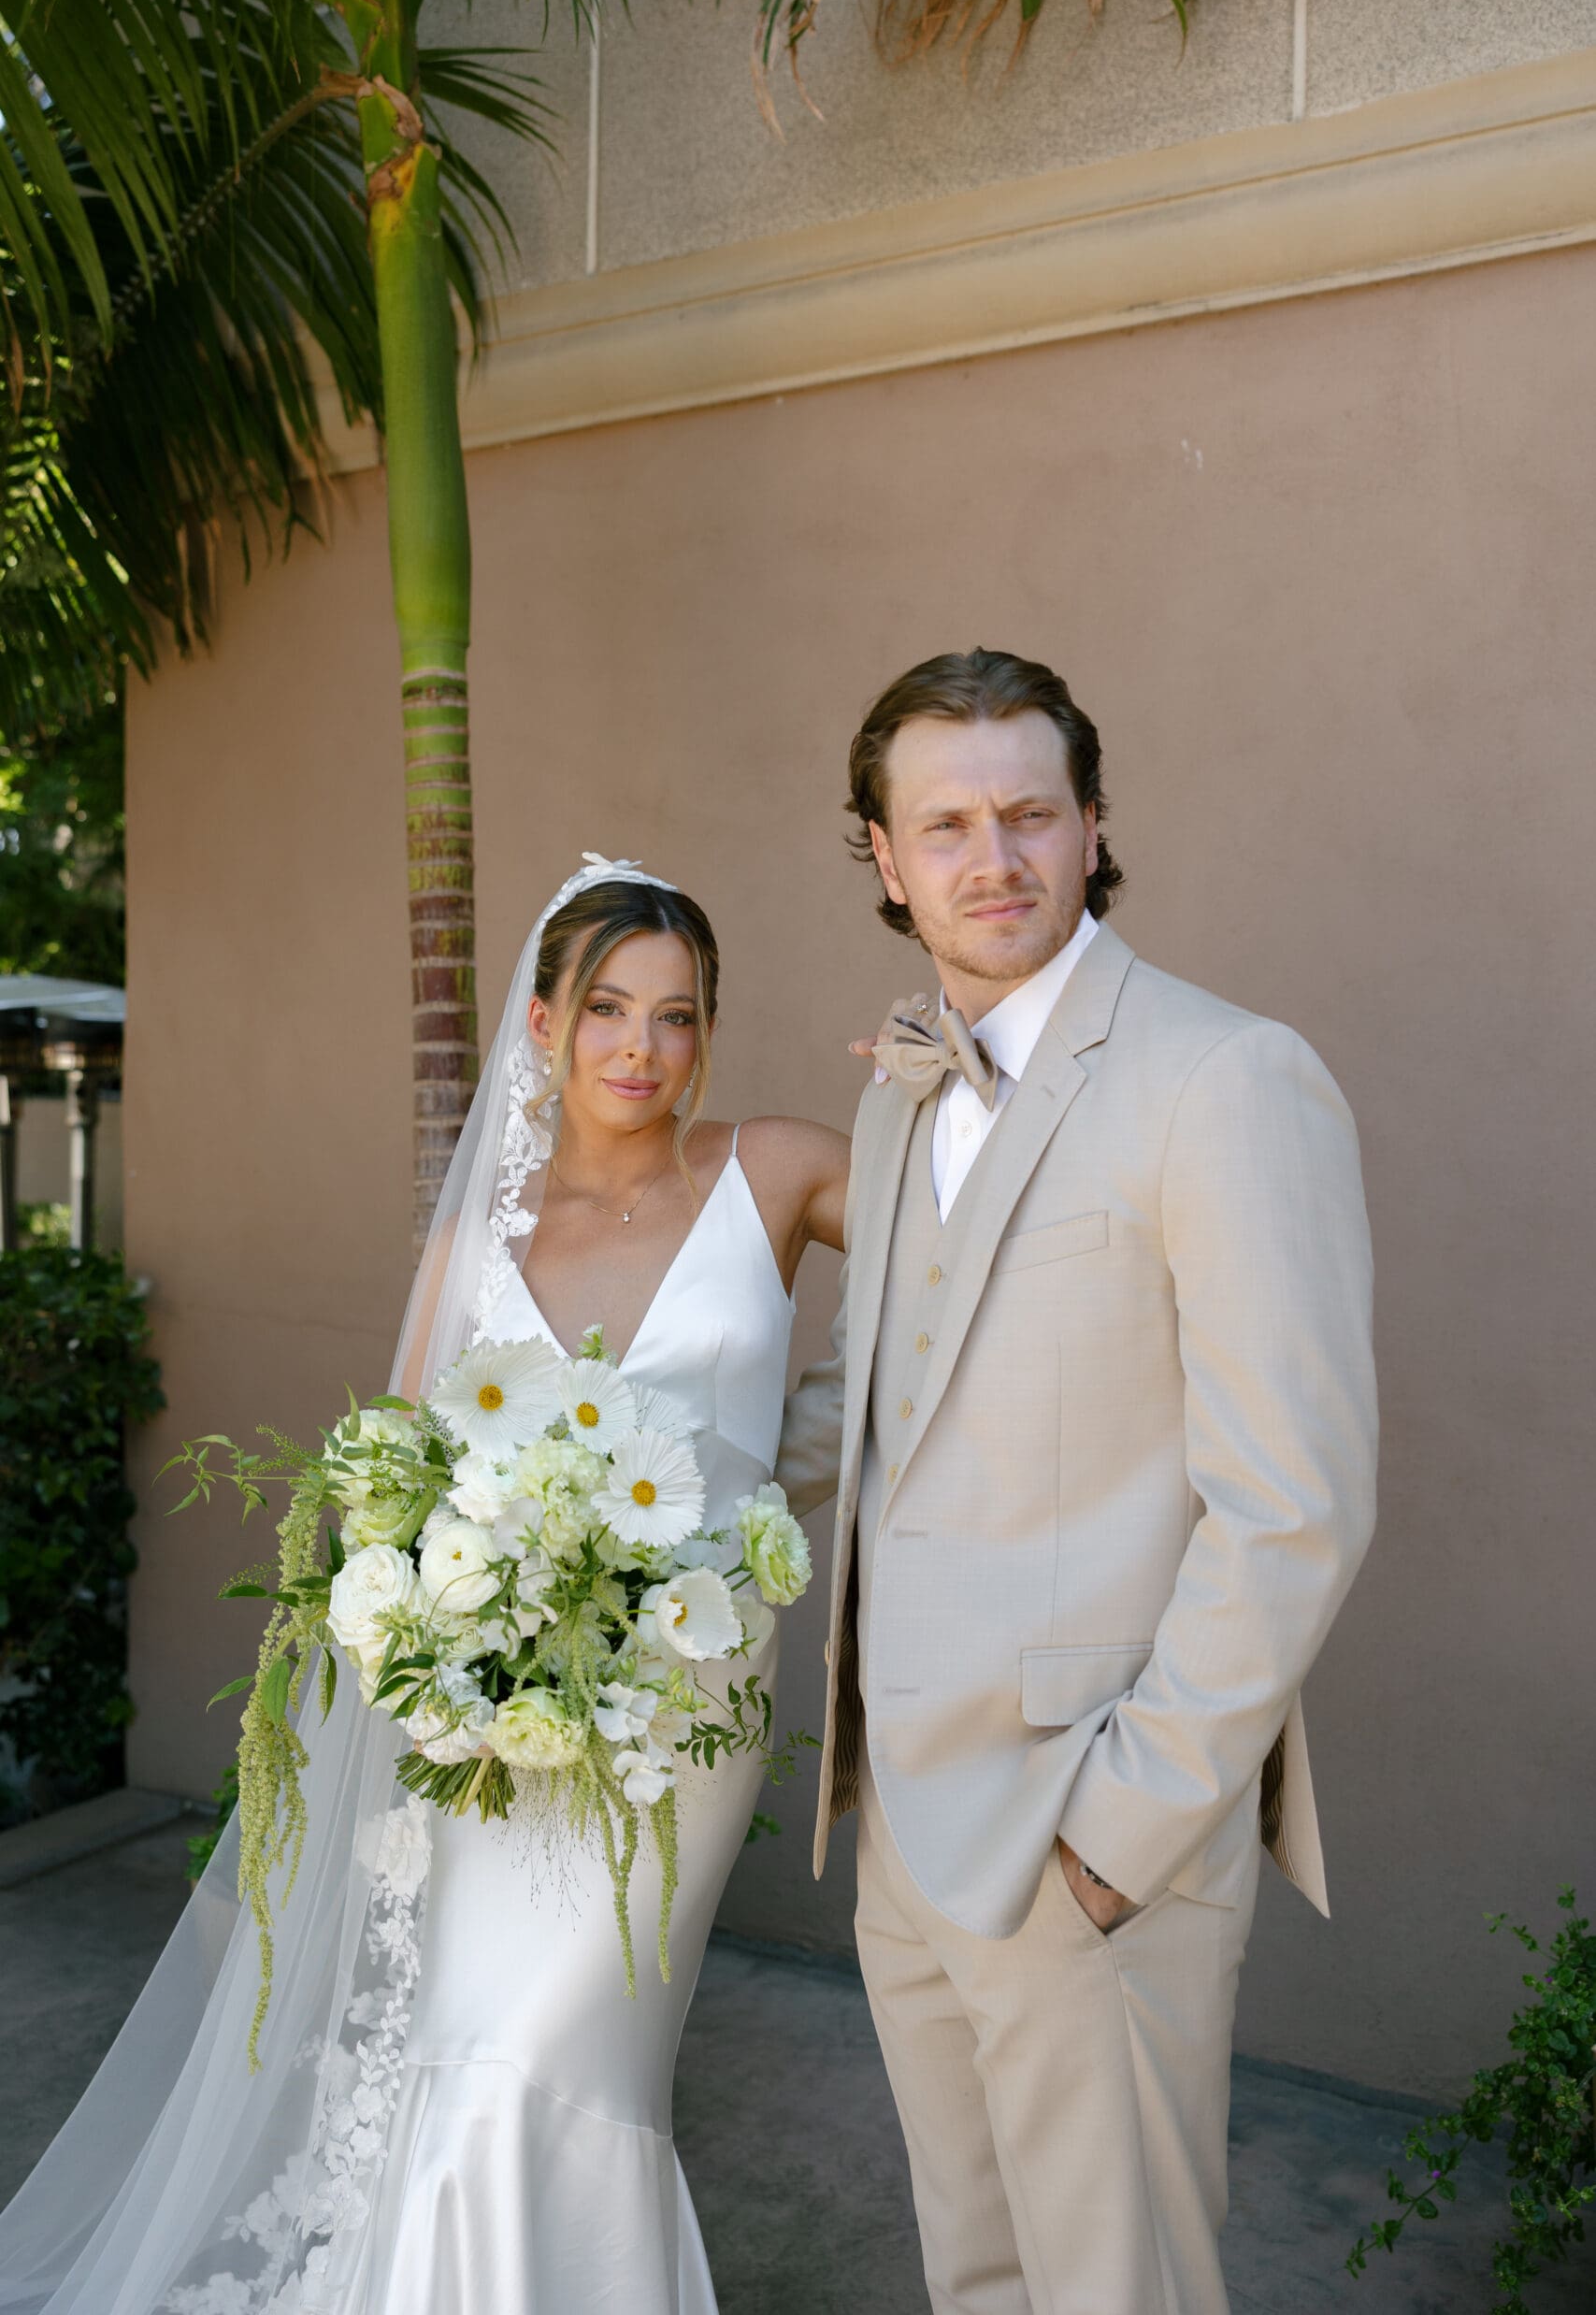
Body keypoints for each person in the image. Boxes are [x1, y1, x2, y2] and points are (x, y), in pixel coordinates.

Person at [0, 855, 848, 2315]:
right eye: (607, 1011)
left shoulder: (774, 1168)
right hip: (491, 1720)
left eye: (678, 1017)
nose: (642, 1050)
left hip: (684, 1705)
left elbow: (976, 1260)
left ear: (710, 1032)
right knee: (474, 2042)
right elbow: (393, 1493)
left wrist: (792, 1464)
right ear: (543, 1023)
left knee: (569, 2047)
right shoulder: (478, 1245)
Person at [777, 651, 1378, 2315]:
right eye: (947, 823)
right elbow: (861, 1409)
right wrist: (597, 1520)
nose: (995, 858)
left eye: (1031, 813)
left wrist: (1122, 1836)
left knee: (1123, 2294)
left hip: (1090, 1834)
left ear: (1094, 827)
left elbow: (1298, 1503)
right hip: (900, 1819)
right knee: (976, 2277)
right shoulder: (896, 1106)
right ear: (885, 859)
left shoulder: (1225, 1078)